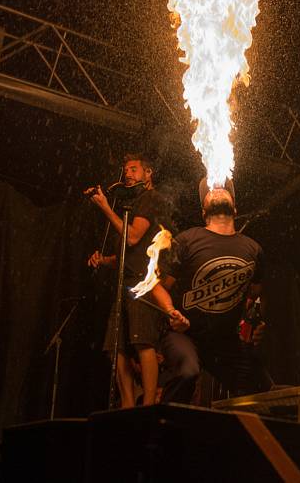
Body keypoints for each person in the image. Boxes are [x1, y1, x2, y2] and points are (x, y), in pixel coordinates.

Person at [151, 178, 270, 404]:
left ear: (235, 207)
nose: (217, 189)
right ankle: (162, 431)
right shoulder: (187, 240)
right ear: (203, 211)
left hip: (225, 341)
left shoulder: (253, 249)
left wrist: (256, 321)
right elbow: (157, 285)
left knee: (262, 388)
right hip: (185, 334)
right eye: (210, 190)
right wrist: (170, 312)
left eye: (224, 188)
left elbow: (257, 293)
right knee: (188, 371)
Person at [86, 153, 169, 408]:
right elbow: (127, 252)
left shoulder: (150, 199)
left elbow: (132, 238)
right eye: (126, 171)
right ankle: (127, 404)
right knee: (115, 347)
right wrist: (105, 260)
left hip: (142, 284)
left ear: (148, 173)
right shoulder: (131, 204)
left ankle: (148, 407)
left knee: (143, 342)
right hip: (124, 282)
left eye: (134, 169)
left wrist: (105, 208)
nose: (128, 175)